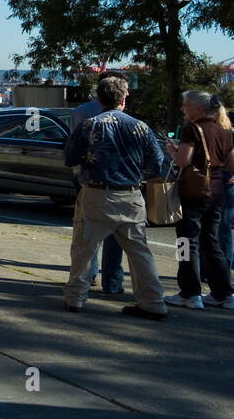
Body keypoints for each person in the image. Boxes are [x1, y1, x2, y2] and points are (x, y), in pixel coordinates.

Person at [62, 75, 169, 320]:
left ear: (99, 98)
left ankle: (75, 297)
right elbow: (157, 163)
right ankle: (153, 301)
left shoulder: (90, 125)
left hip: (97, 193)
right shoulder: (140, 127)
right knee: (139, 251)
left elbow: (70, 157)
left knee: (84, 248)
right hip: (130, 194)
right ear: (124, 98)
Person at [164, 90, 234, 309]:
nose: (182, 108)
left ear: (198, 109)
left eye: (185, 105)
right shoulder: (224, 130)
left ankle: (189, 292)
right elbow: (231, 165)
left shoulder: (191, 129)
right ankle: (223, 293)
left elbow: (183, 161)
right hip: (216, 191)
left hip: (192, 192)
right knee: (211, 242)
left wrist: (173, 153)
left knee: (185, 241)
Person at [68, 91, 123, 294]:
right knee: (126, 242)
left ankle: (82, 285)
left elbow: (71, 153)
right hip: (123, 186)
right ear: (122, 98)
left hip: (92, 183)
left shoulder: (84, 117)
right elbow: (153, 161)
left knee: (87, 236)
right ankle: (115, 282)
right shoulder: (135, 124)